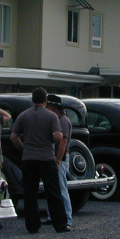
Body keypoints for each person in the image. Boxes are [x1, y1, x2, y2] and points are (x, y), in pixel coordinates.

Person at [10, 87, 70, 233]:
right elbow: (57, 136)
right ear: (45, 100)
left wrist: (23, 148)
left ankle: (32, 225)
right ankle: (60, 224)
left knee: (30, 193)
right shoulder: (51, 116)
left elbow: (13, 136)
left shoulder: (24, 115)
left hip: (29, 158)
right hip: (46, 157)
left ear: (32, 100)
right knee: (53, 192)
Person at [46, 94, 73, 229]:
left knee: (62, 188)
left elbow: (63, 142)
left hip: (61, 158)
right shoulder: (58, 120)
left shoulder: (62, 121)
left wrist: (58, 159)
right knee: (54, 188)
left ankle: (67, 217)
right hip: (57, 157)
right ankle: (53, 215)